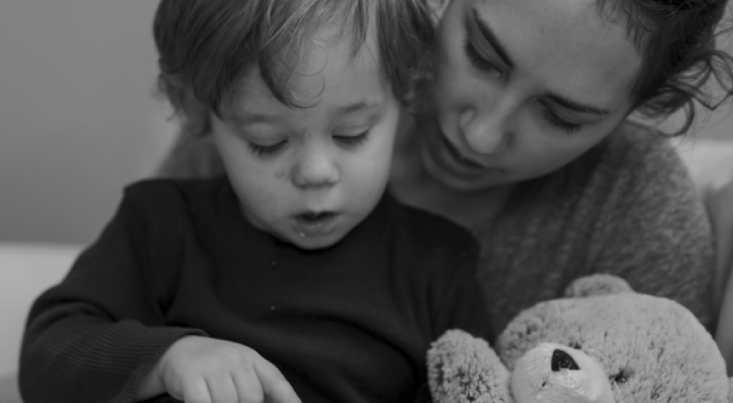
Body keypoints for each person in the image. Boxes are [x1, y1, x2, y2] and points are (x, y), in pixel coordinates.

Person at [160, 0, 733, 334]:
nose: (481, 134)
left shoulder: (634, 211)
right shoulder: (296, 83)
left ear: (635, 111)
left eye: (561, 116)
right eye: (481, 55)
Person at [18, 1, 492, 402]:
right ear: (200, 115)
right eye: (268, 142)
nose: (315, 173)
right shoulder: (161, 226)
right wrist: (168, 358)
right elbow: (48, 353)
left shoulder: (438, 264)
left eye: (352, 134)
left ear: (407, 95)